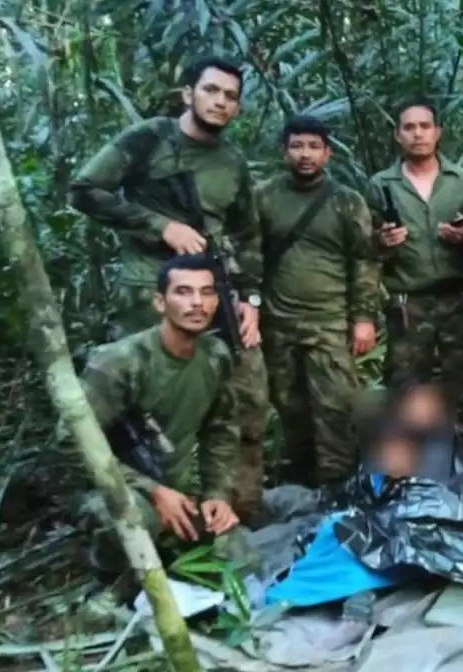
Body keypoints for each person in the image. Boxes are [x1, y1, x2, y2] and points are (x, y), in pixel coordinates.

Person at [70, 55, 270, 523]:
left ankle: (233, 510)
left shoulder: (232, 163)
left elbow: (249, 237)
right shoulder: (149, 139)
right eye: (212, 91)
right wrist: (160, 226)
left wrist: (251, 300)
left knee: (243, 396)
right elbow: (84, 190)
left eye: (230, 97)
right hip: (150, 294)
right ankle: (148, 509)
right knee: (146, 407)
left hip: (217, 293)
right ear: (188, 94)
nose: (220, 102)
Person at [79, 255, 250, 569]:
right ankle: (113, 581)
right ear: (160, 302)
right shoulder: (118, 363)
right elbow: (74, 446)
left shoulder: (216, 356)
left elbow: (221, 429)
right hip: (120, 487)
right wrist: (153, 492)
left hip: (177, 488)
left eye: (207, 292)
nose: (197, 303)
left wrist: (217, 495)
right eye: (183, 292)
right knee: (133, 521)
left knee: (241, 560)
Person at [366, 96, 463, 467]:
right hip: (408, 301)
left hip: (456, 296)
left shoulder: (462, 181)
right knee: (407, 382)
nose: (418, 134)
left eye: (425, 126)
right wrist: (382, 242)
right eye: (409, 127)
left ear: (438, 132)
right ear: (397, 135)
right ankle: (410, 464)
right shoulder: (381, 184)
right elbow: (366, 243)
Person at [255, 116, 383, 490]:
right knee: (291, 407)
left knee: (335, 407)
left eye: (313, 146)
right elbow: (248, 254)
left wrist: (363, 318)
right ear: (284, 152)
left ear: (327, 153)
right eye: (297, 146)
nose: (305, 154)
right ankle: (304, 479)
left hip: (330, 321)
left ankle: (337, 483)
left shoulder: (346, 201)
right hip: (277, 321)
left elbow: (363, 261)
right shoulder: (263, 197)